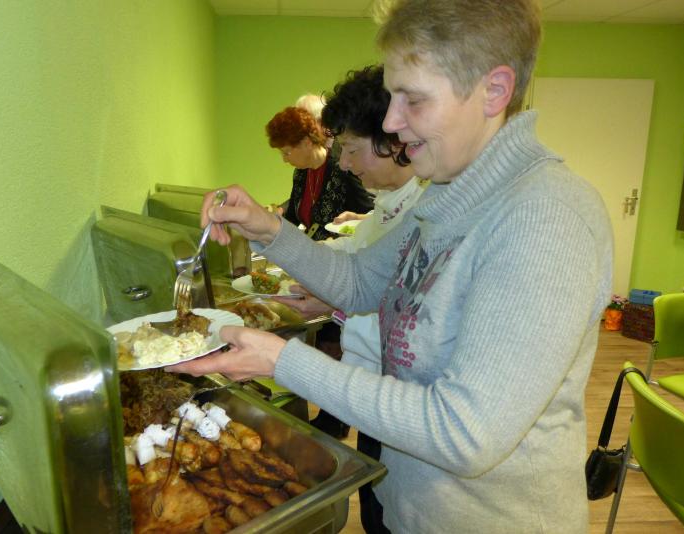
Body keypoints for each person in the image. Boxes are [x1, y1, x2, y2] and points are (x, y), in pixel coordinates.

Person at [175, 0, 613, 531]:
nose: (390, 121)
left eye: (413, 99)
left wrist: (283, 362)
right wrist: (267, 228)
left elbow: (465, 433)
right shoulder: (448, 193)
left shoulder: (547, 217)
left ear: (494, 90)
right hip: (416, 509)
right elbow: (360, 282)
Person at [281, 64, 426, 534]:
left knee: (385, 515)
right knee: (375, 509)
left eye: (350, 149)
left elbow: (395, 305)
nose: (343, 164)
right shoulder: (389, 207)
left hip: (391, 397)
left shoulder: (422, 214)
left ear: (394, 140)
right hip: (371, 390)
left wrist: (331, 307)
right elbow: (362, 276)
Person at [266, 106, 373, 242]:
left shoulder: (342, 170)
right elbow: (293, 216)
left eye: (287, 152)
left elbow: (368, 215)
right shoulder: (300, 173)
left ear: (306, 143)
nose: (285, 160)